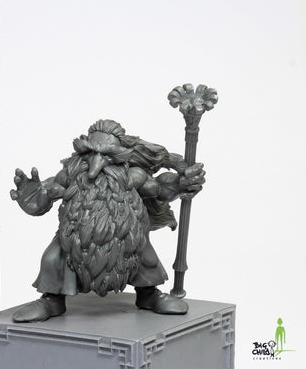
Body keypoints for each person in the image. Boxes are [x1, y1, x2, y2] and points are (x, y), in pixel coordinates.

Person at [10, 119, 205, 322]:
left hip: (126, 238)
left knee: (147, 258)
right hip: (75, 239)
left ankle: (148, 294)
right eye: (91, 152)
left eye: (106, 155)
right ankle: (52, 299)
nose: (96, 163)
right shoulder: (71, 175)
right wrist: (32, 199)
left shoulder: (133, 176)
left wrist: (181, 185)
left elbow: (160, 189)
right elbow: (46, 195)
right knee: (52, 258)